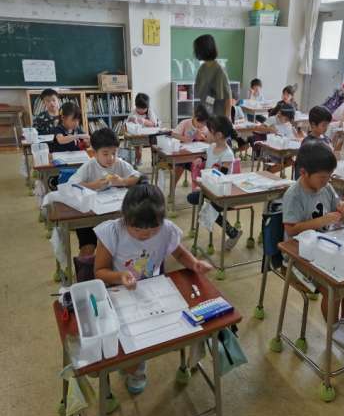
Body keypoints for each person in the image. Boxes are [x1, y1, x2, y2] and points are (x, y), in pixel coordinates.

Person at [94, 177, 211, 393]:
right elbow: (99, 271)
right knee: (129, 343)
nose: (145, 234)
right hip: (119, 292)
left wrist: (194, 263)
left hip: (152, 289)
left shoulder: (166, 230)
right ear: (125, 218)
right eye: (137, 229)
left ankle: (138, 366)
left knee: (170, 330)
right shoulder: (112, 232)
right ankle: (134, 369)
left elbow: (179, 253)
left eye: (152, 229)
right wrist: (120, 276)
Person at [282, 141, 344, 357]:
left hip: (325, 249)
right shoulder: (294, 195)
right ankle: (334, 329)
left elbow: (341, 209)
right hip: (299, 256)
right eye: (322, 177)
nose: (326, 182)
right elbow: (291, 230)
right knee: (332, 286)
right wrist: (320, 222)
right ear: (303, 172)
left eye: (329, 177)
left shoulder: (325, 188)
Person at [68, 127, 139, 256]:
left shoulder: (119, 163)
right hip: (89, 216)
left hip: (113, 214)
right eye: (105, 154)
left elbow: (137, 177)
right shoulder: (89, 166)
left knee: (123, 244)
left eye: (114, 153)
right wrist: (93, 185)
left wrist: (122, 181)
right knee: (87, 249)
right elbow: (71, 185)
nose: (111, 158)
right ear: (95, 153)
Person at [187, 115, 242, 250]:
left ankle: (232, 232)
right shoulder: (211, 146)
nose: (206, 133)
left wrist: (207, 181)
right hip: (209, 188)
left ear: (218, 135)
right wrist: (201, 159)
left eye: (209, 131)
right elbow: (206, 157)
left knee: (209, 208)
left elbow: (221, 176)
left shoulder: (227, 154)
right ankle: (232, 232)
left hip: (222, 191)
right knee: (193, 198)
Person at [194, 34, 232, 117]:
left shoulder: (219, 70)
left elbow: (228, 97)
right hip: (207, 114)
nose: (195, 51)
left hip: (218, 116)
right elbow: (204, 95)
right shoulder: (202, 68)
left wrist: (227, 118)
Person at [172, 103, 209, 186]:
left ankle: (200, 187)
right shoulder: (185, 123)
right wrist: (185, 138)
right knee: (180, 164)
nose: (201, 125)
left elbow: (210, 141)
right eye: (199, 122)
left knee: (204, 164)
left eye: (204, 123)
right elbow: (173, 134)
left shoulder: (206, 127)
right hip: (185, 154)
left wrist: (203, 138)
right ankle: (173, 187)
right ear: (194, 116)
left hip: (199, 156)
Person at [127, 92, 159, 164]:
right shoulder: (134, 112)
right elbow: (127, 122)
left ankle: (154, 160)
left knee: (154, 145)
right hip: (138, 134)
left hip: (149, 134)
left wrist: (144, 121)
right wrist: (132, 120)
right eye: (139, 108)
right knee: (137, 146)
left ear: (147, 107)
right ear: (136, 106)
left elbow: (154, 124)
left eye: (143, 109)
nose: (141, 111)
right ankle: (138, 159)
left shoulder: (150, 111)